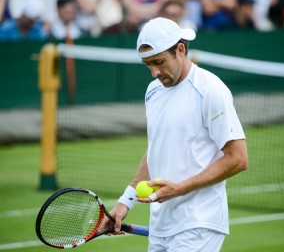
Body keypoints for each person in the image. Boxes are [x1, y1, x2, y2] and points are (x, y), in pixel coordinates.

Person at [101, 17, 248, 251]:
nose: (153, 72)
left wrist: (180, 188)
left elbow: (238, 159)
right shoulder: (153, 92)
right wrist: (125, 202)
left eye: (158, 62)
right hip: (161, 225)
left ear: (180, 49)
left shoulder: (210, 90)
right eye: (148, 64)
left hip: (199, 223)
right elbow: (157, 149)